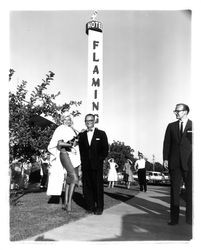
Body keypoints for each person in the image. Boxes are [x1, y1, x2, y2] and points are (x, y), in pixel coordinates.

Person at [163, 103, 192, 225]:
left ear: (185, 111)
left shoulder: (194, 125)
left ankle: (190, 219)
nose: (175, 113)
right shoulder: (171, 126)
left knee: (191, 191)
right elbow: (167, 144)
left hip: (190, 164)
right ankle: (174, 219)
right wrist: (165, 159)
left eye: (178, 111)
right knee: (175, 192)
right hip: (175, 164)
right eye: (175, 111)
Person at [47, 115, 81, 213]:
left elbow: (76, 141)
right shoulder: (60, 129)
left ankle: (65, 203)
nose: (67, 121)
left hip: (75, 156)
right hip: (65, 153)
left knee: (70, 179)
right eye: (65, 119)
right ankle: (69, 204)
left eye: (69, 119)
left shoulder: (73, 129)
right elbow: (59, 144)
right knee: (75, 178)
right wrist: (72, 145)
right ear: (62, 120)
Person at [78, 114, 109, 215]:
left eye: (90, 120)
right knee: (87, 187)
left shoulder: (101, 134)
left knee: (98, 187)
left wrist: (99, 160)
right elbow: (81, 151)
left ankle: (99, 207)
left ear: (94, 121)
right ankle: (90, 207)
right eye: (87, 121)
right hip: (86, 165)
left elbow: (105, 150)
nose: (88, 122)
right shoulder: (82, 135)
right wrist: (82, 163)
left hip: (97, 166)